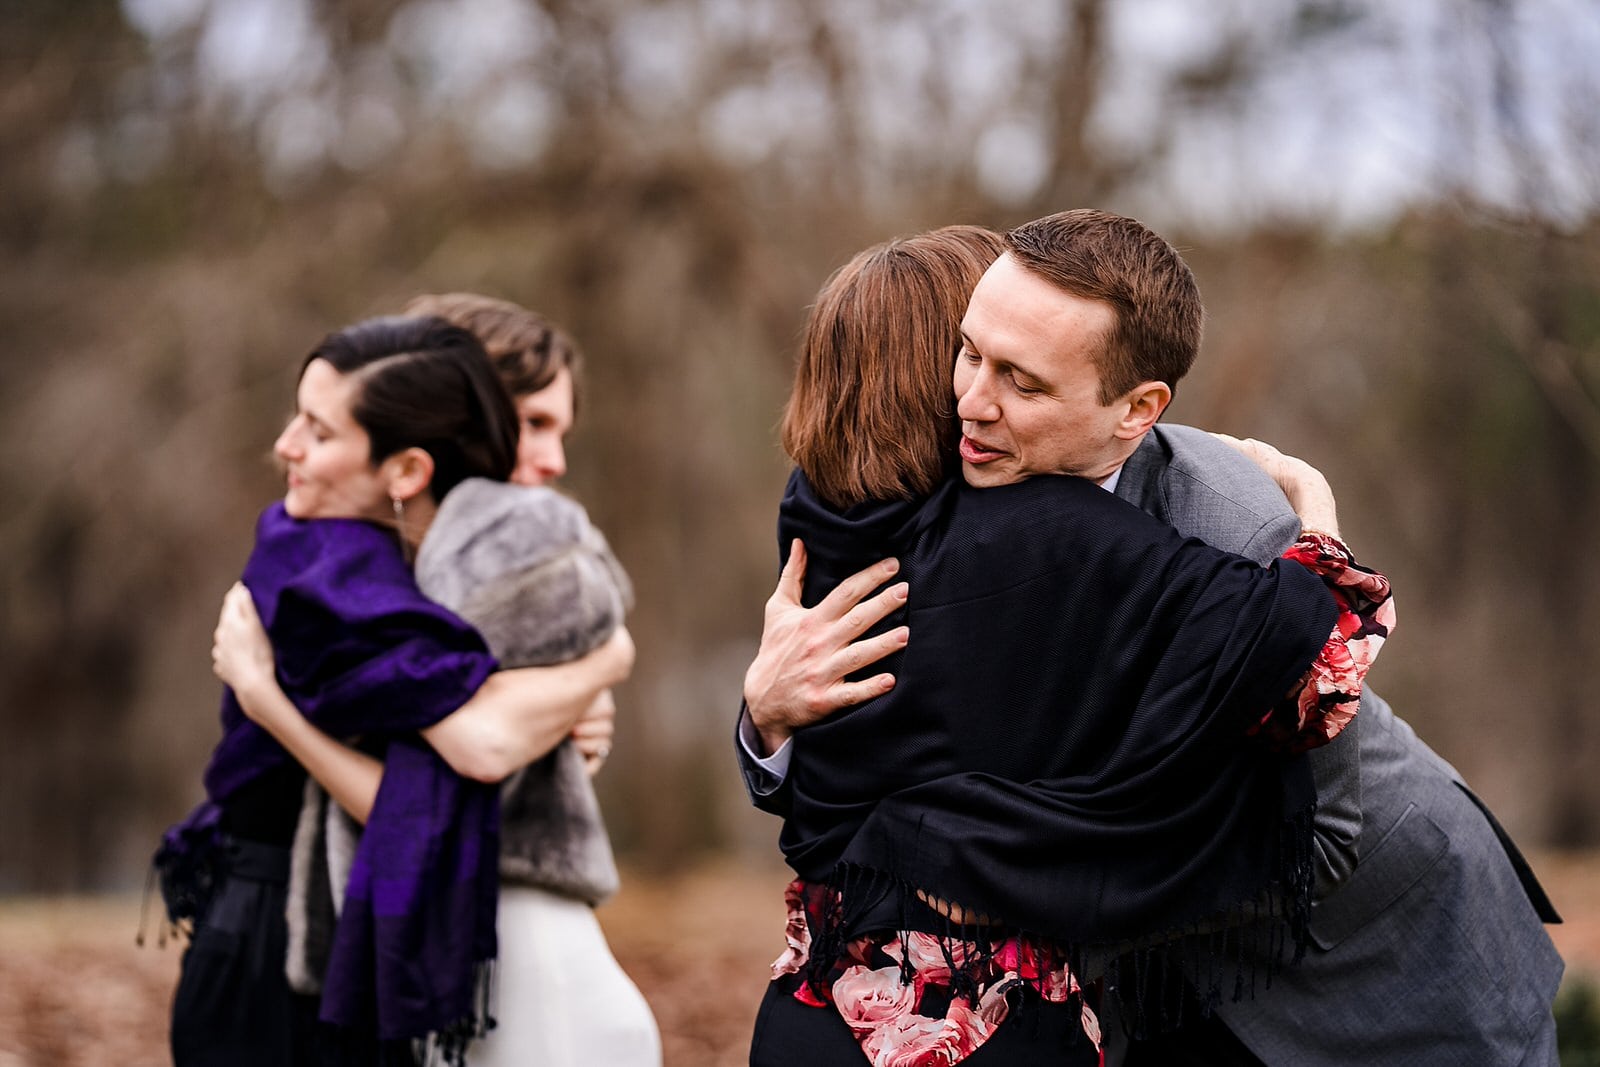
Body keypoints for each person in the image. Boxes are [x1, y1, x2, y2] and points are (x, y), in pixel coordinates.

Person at [738, 210, 1563, 1065]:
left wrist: (1031, 885)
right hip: (1150, 982)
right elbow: (888, 737)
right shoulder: (956, 483)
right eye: (969, 353)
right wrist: (764, 715)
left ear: (1136, 409)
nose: (972, 398)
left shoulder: (1234, 531)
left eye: (1021, 379)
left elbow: (1326, 840)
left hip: (1379, 961)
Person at [158, 315, 634, 1066]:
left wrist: (568, 701)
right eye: (531, 422)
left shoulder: (409, 566)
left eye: (316, 430)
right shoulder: (337, 576)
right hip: (273, 928)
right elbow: (480, 746)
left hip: (304, 923)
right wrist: (605, 660)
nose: (284, 445)